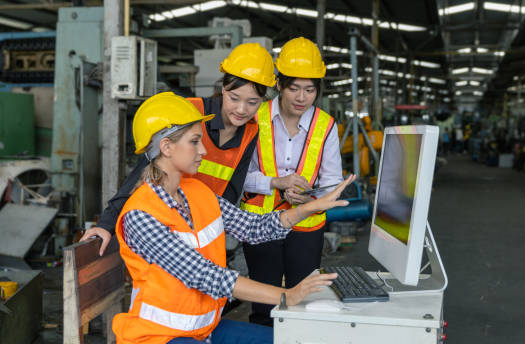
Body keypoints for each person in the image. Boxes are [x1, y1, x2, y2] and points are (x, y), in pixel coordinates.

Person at [112, 92, 355, 344]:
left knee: (289, 340)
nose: (204, 150)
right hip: (159, 337)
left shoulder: (197, 192)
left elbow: (251, 228)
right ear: (166, 146)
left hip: (205, 328)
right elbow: (205, 275)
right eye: (195, 141)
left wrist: (308, 208)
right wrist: (287, 295)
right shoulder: (141, 215)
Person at [81, 42, 276, 255]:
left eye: (252, 102)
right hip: (165, 225)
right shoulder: (189, 112)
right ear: (223, 88)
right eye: (234, 98)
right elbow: (141, 173)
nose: (241, 109)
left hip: (203, 226)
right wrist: (107, 223)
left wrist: (212, 233)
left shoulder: (250, 131)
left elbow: (231, 191)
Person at [240, 37, 344, 326]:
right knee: (264, 304)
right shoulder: (254, 118)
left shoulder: (326, 126)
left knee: (303, 304)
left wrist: (310, 197)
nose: (301, 97)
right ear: (279, 86)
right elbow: (240, 177)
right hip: (261, 225)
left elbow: (333, 180)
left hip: (306, 227)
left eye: (309, 90)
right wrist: (275, 183)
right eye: (294, 88)